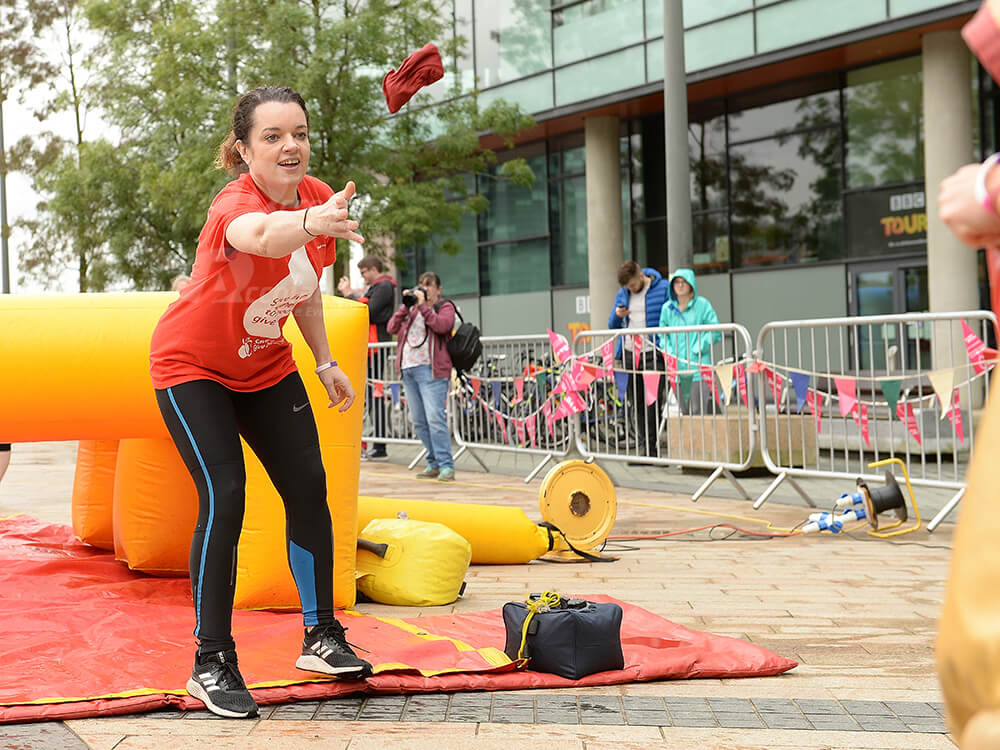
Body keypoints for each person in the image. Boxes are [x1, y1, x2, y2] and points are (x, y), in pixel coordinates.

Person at [148, 85, 371, 719]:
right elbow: (267, 237)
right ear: (244, 150)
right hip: (191, 368)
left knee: (309, 487)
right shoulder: (234, 206)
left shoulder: (319, 198)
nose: (290, 145)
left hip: (266, 366)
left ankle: (322, 636)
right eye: (272, 137)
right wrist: (310, 222)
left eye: (298, 132)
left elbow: (302, 290)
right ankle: (210, 660)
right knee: (227, 492)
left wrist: (325, 361)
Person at [387, 271, 456, 481]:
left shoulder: (444, 307)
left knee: (435, 418)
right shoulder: (411, 309)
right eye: (421, 285)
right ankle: (433, 463)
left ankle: (446, 465)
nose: (424, 288)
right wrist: (405, 306)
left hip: (431, 369)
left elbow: (442, 325)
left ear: (438, 289)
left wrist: (424, 306)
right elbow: (391, 327)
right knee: (418, 420)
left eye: (429, 285)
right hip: (408, 369)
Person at [338, 255, 397, 460]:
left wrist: (348, 294)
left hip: (377, 346)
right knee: (371, 396)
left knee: (375, 395)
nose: (363, 277)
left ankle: (380, 446)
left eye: (364, 272)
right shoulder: (379, 287)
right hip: (372, 346)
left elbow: (367, 310)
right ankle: (376, 444)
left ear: (373, 269)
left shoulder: (384, 287)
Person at [608, 261, 669, 457]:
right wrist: (618, 315)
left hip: (653, 351)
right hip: (629, 353)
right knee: (637, 403)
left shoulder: (663, 288)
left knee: (653, 401)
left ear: (640, 274)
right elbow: (612, 325)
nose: (631, 289)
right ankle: (645, 448)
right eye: (627, 287)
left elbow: (669, 316)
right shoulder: (623, 294)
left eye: (633, 285)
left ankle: (653, 449)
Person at [657, 268, 722, 415]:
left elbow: (716, 330)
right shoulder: (667, 308)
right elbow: (662, 335)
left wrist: (699, 347)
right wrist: (669, 352)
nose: (680, 285)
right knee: (684, 412)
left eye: (684, 282)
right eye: (677, 282)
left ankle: (702, 438)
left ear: (691, 284)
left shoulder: (703, 305)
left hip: (698, 367)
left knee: (699, 411)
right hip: (677, 368)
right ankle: (688, 439)